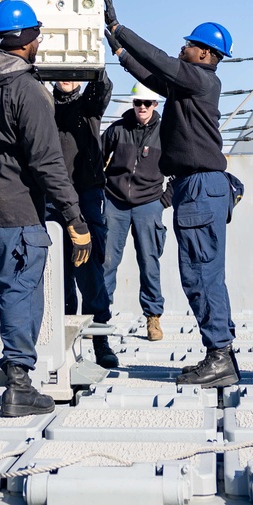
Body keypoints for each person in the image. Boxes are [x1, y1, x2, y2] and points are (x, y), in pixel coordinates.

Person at [0, 0, 92, 417]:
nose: (40, 40)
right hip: (16, 210)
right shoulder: (28, 91)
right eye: (37, 35)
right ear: (26, 41)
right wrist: (75, 220)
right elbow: (48, 163)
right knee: (19, 294)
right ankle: (19, 387)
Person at [105, 0, 242, 387]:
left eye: (188, 43)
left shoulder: (200, 80)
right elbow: (152, 75)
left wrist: (119, 27)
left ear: (203, 53)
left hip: (200, 186)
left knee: (200, 275)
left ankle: (219, 356)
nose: (182, 47)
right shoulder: (190, 87)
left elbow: (160, 61)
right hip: (196, 188)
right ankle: (222, 354)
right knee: (203, 274)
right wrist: (116, 46)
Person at [51, 75, 121, 369]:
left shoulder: (89, 104)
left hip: (88, 196)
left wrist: (95, 63)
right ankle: (64, 341)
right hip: (51, 198)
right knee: (58, 274)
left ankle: (100, 339)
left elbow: (103, 86)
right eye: (60, 73)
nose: (66, 79)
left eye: (72, 73)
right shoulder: (42, 104)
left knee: (91, 271)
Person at [101, 83, 171, 341]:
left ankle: (153, 318)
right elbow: (95, 159)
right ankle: (100, 317)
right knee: (107, 262)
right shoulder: (117, 130)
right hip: (115, 203)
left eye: (147, 103)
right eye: (137, 102)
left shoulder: (167, 133)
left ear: (155, 104)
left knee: (149, 262)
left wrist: (164, 201)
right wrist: (102, 190)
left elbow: (181, 167)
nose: (142, 107)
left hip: (149, 204)